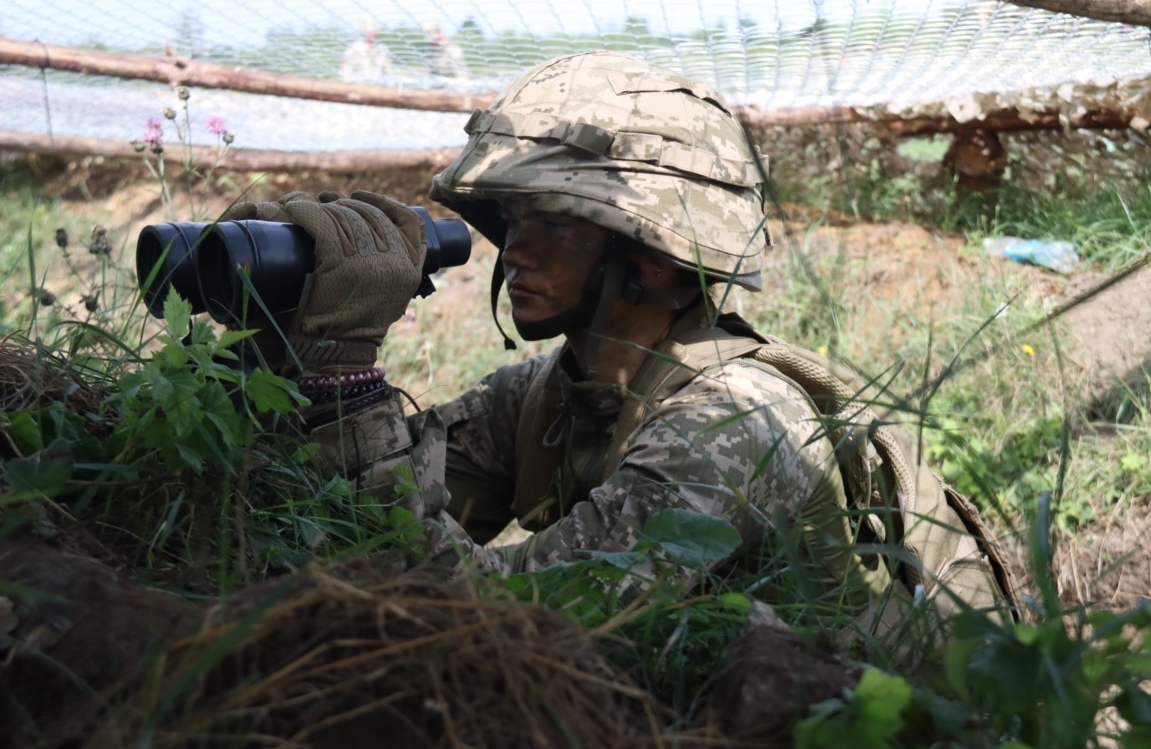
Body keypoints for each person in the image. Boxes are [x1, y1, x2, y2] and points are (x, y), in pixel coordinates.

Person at [224, 51, 1013, 638]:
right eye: (513, 222)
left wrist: (352, 382)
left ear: (659, 257)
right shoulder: (547, 396)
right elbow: (341, 541)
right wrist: (288, 348)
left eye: (557, 224)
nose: (516, 250)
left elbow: (506, 623)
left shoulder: (736, 423)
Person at [340, 17, 393, 84]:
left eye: (374, 31)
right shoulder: (353, 50)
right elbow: (346, 71)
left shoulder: (382, 50)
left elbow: (388, 72)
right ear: (363, 32)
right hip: (358, 87)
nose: (371, 34)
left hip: (377, 88)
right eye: (368, 32)